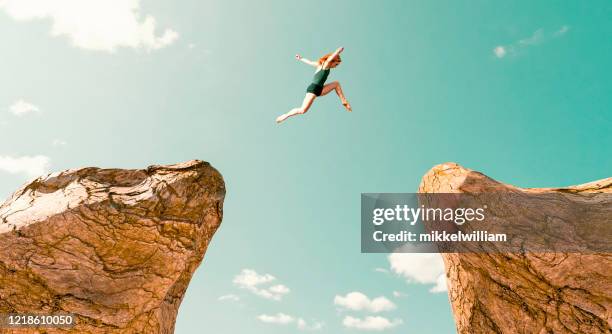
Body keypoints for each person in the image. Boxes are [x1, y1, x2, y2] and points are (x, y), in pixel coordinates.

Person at [276, 47, 352, 123]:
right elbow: (329, 59)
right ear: (333, 60)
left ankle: (344, 101)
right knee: (302, 110)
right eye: (336, 64)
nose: (335, 67)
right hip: (313, 88)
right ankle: (285, 116)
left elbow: (310, 62)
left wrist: (301, 58)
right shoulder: (326, 65)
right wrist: (337, 51)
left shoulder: (319, 64)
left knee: (336, 84)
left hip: (320, 89)